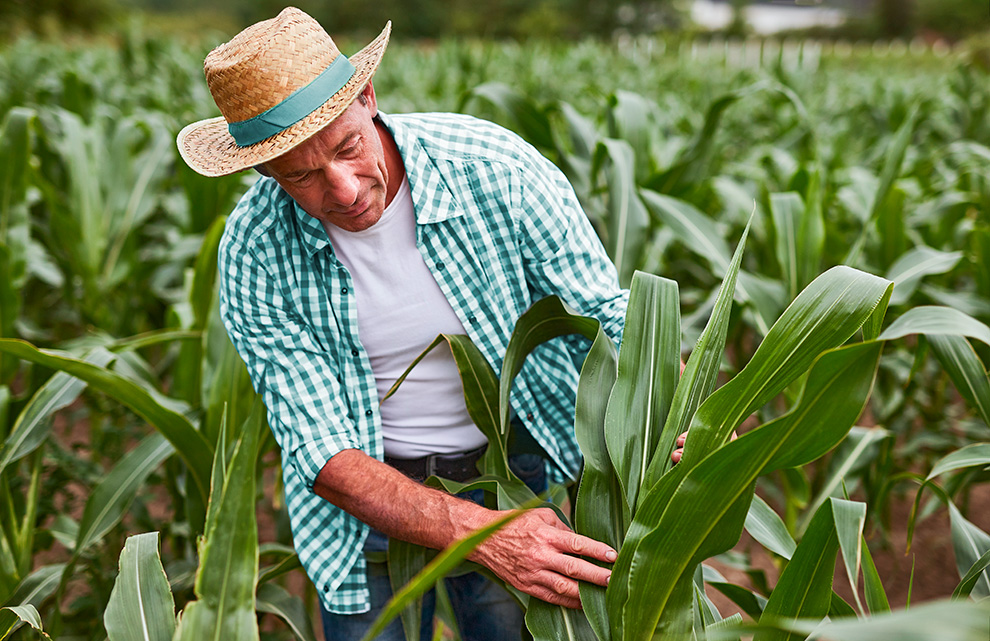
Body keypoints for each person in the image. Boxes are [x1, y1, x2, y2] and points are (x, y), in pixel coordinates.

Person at [177, 7, 630, 640]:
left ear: (367, 97)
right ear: (261, 168)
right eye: (302, 176)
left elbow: (610, 319)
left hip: (507, 469)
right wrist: (480, 537)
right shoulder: (256, 251)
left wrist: (665, 407)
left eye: (347, 147)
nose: (343, 190)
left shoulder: (495, 172)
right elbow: (320, 447)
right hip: (367, 499)